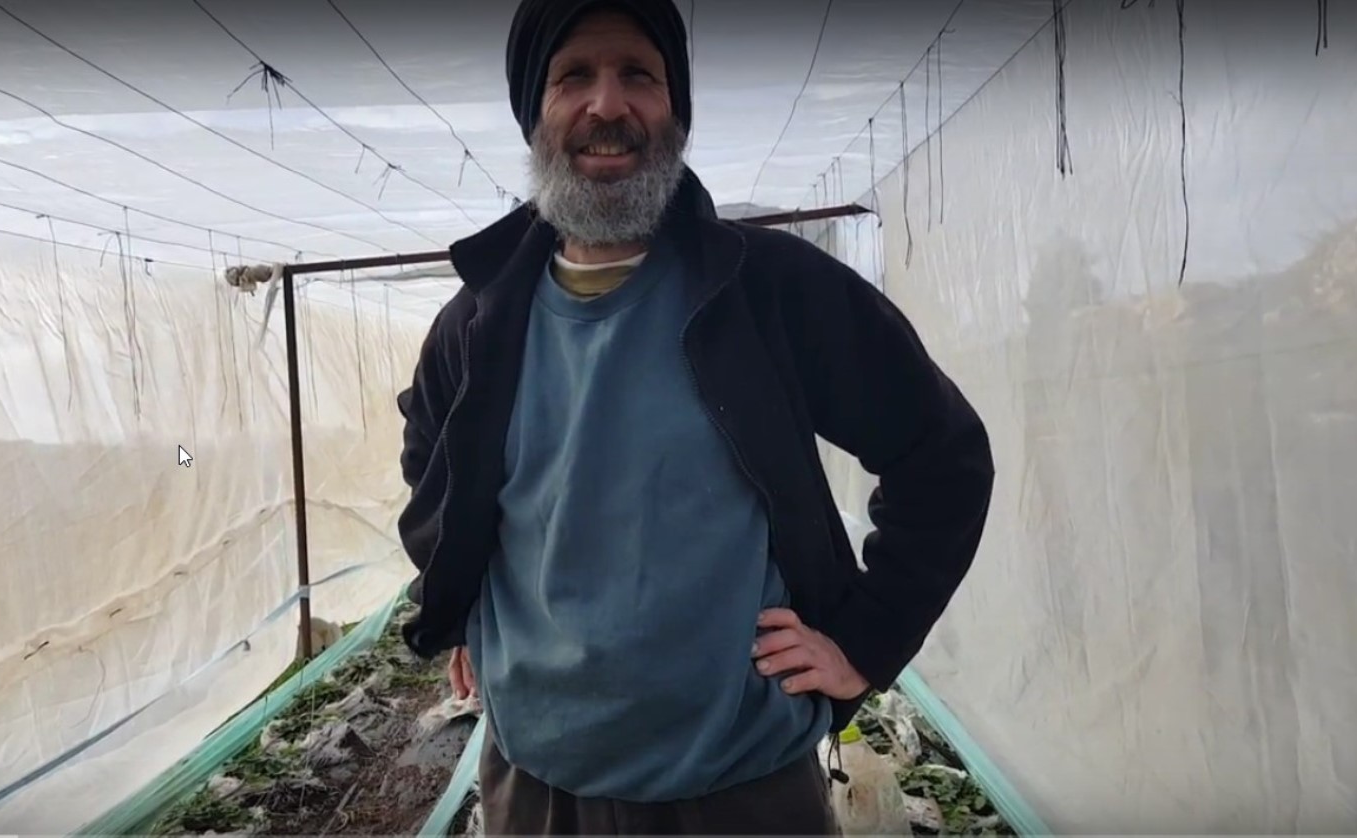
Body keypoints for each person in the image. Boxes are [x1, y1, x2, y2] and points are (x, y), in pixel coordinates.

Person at [394, 0, 995, 833]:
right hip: (537, 784)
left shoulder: (768, 288)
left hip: (742, 784)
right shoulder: (478, 319)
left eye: (638, 74)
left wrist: (867, 638)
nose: (607, 105)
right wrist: (458, 596)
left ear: (676, 109)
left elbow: (941, 454)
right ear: (534, 113)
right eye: (574, 76)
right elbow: (431, 458)